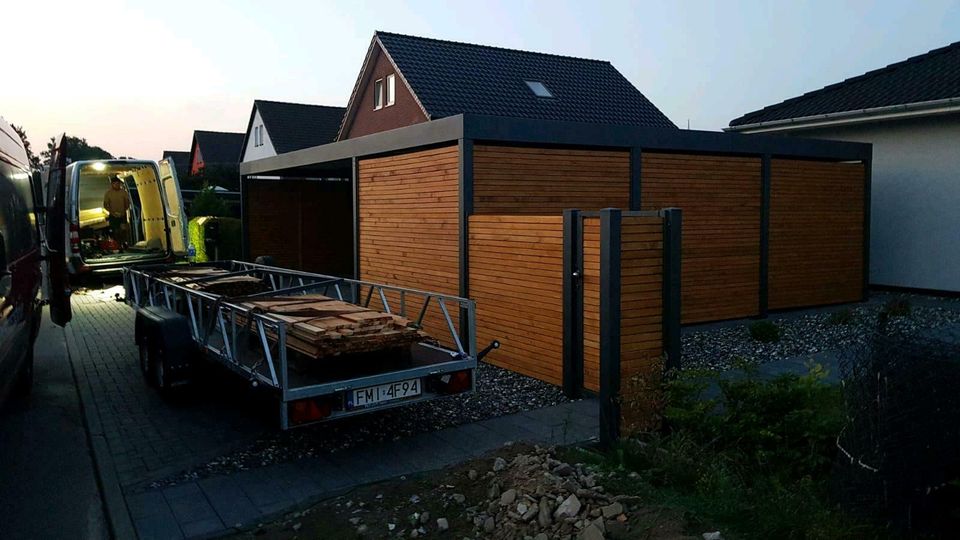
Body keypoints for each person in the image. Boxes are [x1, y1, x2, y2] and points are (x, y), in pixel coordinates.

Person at [103, 175, 130, 247]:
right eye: (116, 184)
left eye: (118, 184)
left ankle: (124, 243)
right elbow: (105, 205)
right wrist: (112, 212)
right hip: (113, 215)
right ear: (112, 184)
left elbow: (127, 203)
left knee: (123, 230)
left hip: (122, 214)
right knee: (115, 231)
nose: (117, 185)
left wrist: (124, 211)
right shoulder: (108, 193)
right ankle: (117, 244)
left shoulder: (123, 192)